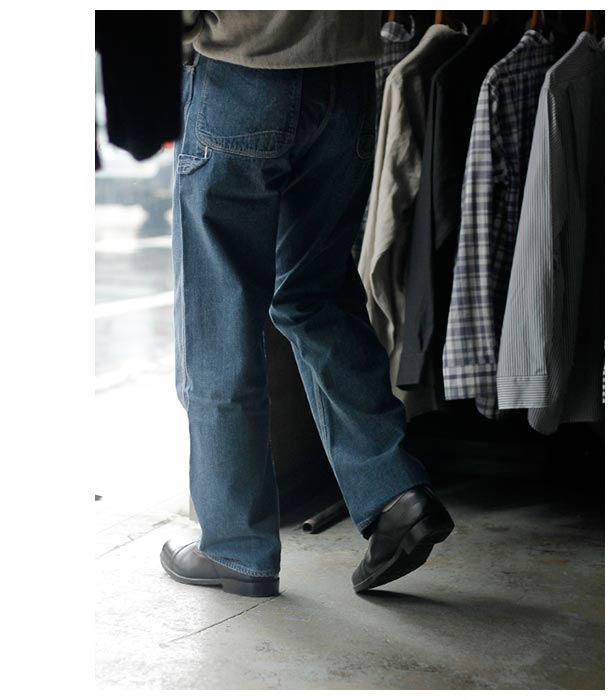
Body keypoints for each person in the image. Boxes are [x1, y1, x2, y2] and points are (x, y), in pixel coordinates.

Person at [160, 10, 454, 597]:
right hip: (346, 84)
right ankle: (396, 494)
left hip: (244, 73)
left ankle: (235, 548)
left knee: (219, 314)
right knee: (313, 295)